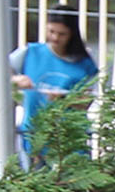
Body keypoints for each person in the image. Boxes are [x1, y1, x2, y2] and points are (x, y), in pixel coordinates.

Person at [14, 11, 97, 163]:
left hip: (69, 136)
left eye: (62, 34)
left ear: (72, 34)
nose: (55, 38)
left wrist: (65, 99)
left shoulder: (84, 63)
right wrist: (15, 80)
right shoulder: (30, 52)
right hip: (34, 131)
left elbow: (87, 102)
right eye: (51, 31)